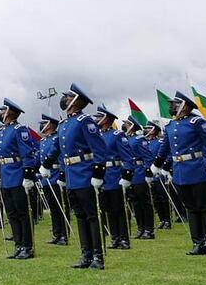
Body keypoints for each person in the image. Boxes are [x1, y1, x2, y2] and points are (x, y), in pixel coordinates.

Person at [40, 83, 107, 269]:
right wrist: (46, 164)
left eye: (68, 96)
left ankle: (97, 256)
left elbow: (99, 149)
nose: (64, 99)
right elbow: (56, 148)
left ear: (76, 101)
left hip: (85, 174)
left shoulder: (85, 121)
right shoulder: (64, 123)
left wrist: (98, 173)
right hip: (71, 175)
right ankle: (85, 255)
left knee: (92, 216)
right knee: (79, 215)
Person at [150, 91, 206, 256]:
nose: (171, 106)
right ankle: (198, 243)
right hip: (180, 171)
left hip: (197, 168)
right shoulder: (170, 125)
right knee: (190, 208)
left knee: (204, 207)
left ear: (184, 106)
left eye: (174, 104)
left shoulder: (196, 122)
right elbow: (165, 148)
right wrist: (156, 165)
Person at [0, 98, 37, 259]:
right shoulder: (1, 132)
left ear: (9, 112)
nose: (0, 113)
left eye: (3, 110)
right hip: (5, 175)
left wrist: (28, 175)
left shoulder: (20, 129)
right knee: (11, 213)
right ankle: (18, 245)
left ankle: (27, 246)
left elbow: (27, 153)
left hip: (17, 175)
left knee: (22, 213)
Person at [96, 105, 131, 250]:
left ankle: (124, 238)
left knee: (119, 209)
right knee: (108, 209)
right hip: (102, 176)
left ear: (106, 119)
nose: (97, 119)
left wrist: (127, 175)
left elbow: (127, 157)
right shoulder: (97, 135)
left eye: (99, 117)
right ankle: (114, 237)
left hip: (115, 175)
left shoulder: (117, 135)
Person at [39, 114, 68, 245]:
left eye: (43, 123)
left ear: (50, 124)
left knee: (60, 206)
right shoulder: (43, 141)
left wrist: (62, 174)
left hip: (56, 175)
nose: (41, 125)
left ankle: (63, 235)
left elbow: (62, 157)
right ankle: (56, 234)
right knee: (52, 207)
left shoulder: (57, 138)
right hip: (47, 178)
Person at [125, 117, 155, 239]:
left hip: (139, 173)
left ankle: (149, 229)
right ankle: (140, 227)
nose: (125, 126)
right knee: (135, 203)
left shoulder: (139, 139)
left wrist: (148, 172)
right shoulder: (127, 139)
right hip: (131, 174)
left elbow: (148, 157)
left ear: (132, 125)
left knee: (144, 202)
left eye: (127, 124)